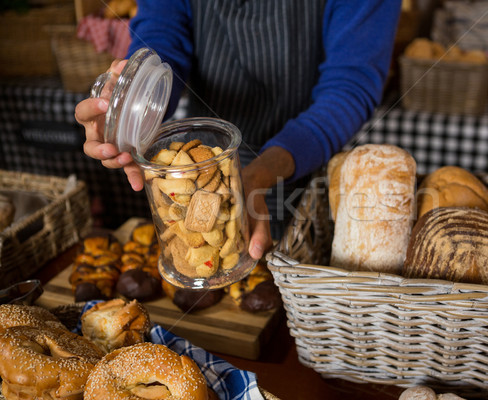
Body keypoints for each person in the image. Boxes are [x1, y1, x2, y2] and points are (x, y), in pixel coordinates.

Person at [75, 0, 403, 261]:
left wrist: (260, 174)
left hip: (306, 176)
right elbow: (164, 40)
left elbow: (349, 86)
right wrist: (133, 104)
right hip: (202, 166)